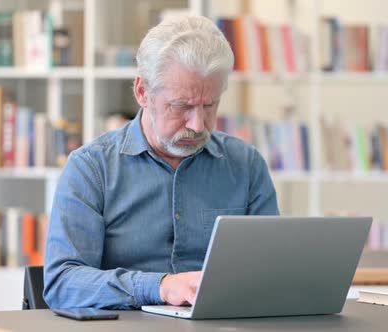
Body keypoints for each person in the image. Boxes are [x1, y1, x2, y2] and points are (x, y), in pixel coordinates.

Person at [43, 15, 279, 309]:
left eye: (209, 105)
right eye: (182, 106)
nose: (197, 124)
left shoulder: (246, 166)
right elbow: (62, 284)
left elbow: (272, 272)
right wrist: (160, 287)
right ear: (142, 92)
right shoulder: (91, 169)